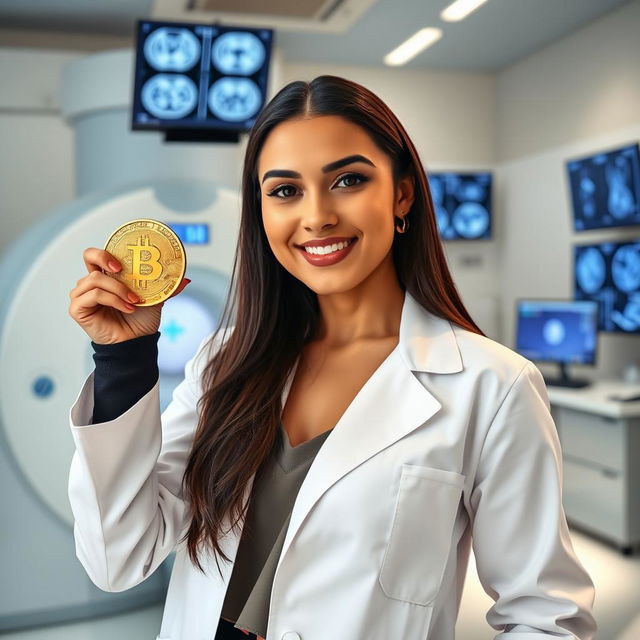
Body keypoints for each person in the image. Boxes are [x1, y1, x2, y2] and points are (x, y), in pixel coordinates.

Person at [67, 75, 597, 640]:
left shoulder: (492, 386)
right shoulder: (225, 361)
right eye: (285, 190)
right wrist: (123, 361)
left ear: (401, 194)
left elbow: (546, 617)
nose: (316, 216)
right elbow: (120, 559)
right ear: (262, 211)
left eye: (347, 179)